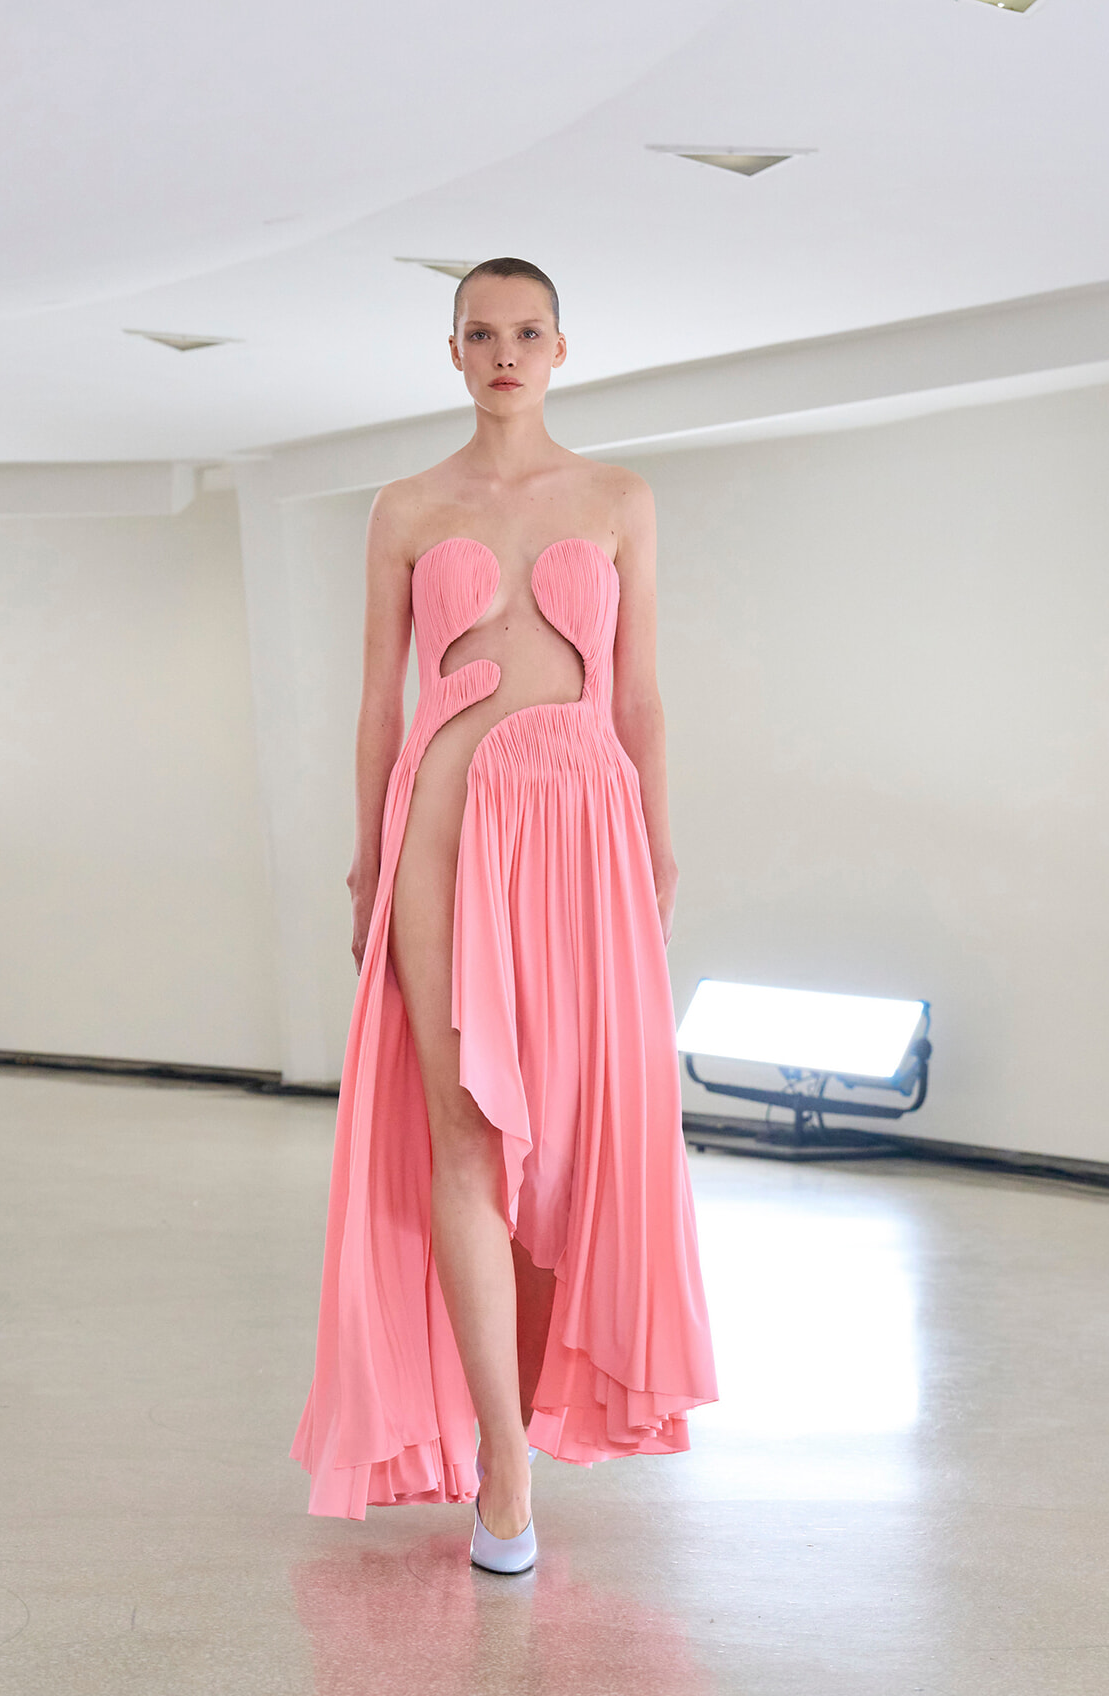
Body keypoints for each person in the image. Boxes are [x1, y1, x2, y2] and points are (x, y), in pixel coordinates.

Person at [291, 256, 717, 1572]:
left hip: (583, 820)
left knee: (579, 1128)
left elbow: (638, 694)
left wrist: (654, 840)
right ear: (455, 351)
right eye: (481, 332)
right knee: (466, 1131)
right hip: (443, 820)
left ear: (562, 347)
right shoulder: (407, 506)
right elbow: (378, 701)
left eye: (527, 331)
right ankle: (502, 1461)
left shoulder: (620, 497)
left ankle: (553, 1396)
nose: (505, 352)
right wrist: (366, 861)